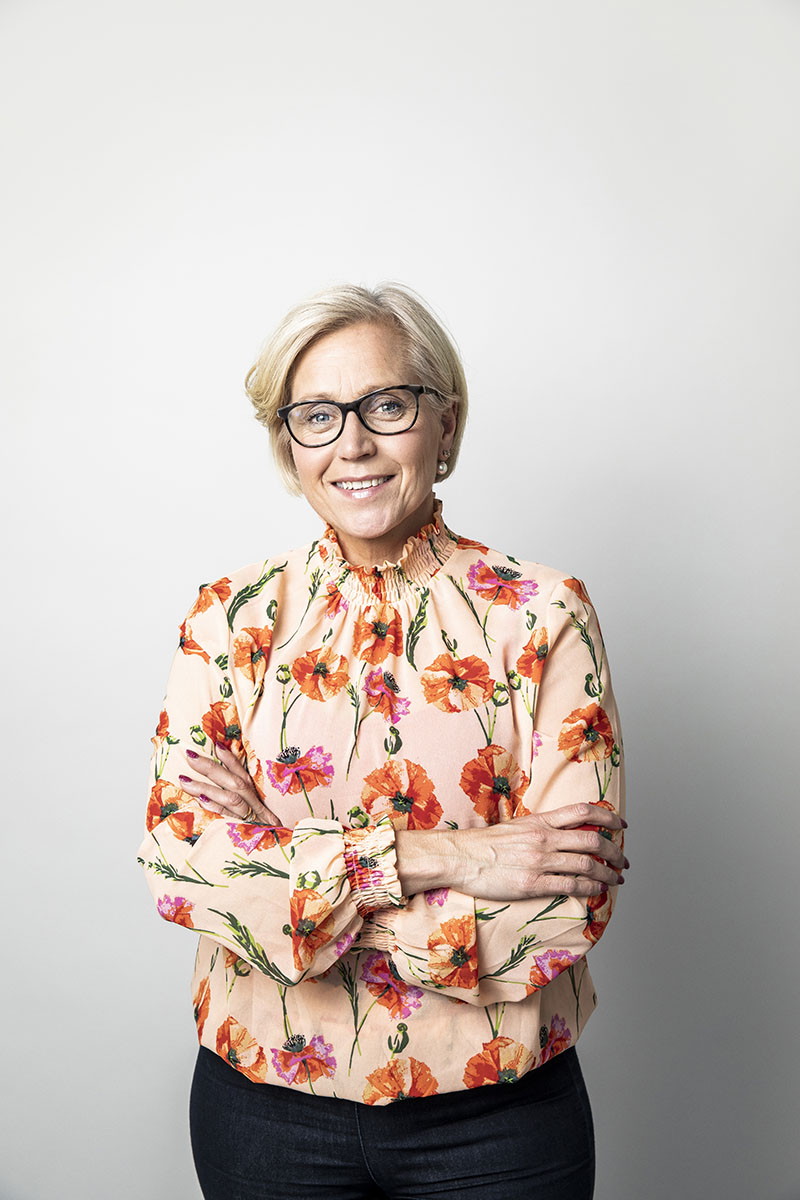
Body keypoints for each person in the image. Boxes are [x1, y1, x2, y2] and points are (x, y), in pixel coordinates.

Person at [138, 281, 627, 1200]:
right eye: (317, 415)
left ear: (445, 424)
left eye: (387, 405)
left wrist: (292, 873)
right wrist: (450, 856)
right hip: (265, 1109)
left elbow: (567, 907)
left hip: (498, 1118)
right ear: (289, 443)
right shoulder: (230, 618)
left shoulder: (544, 615)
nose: (353, 443)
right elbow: (183, 869)